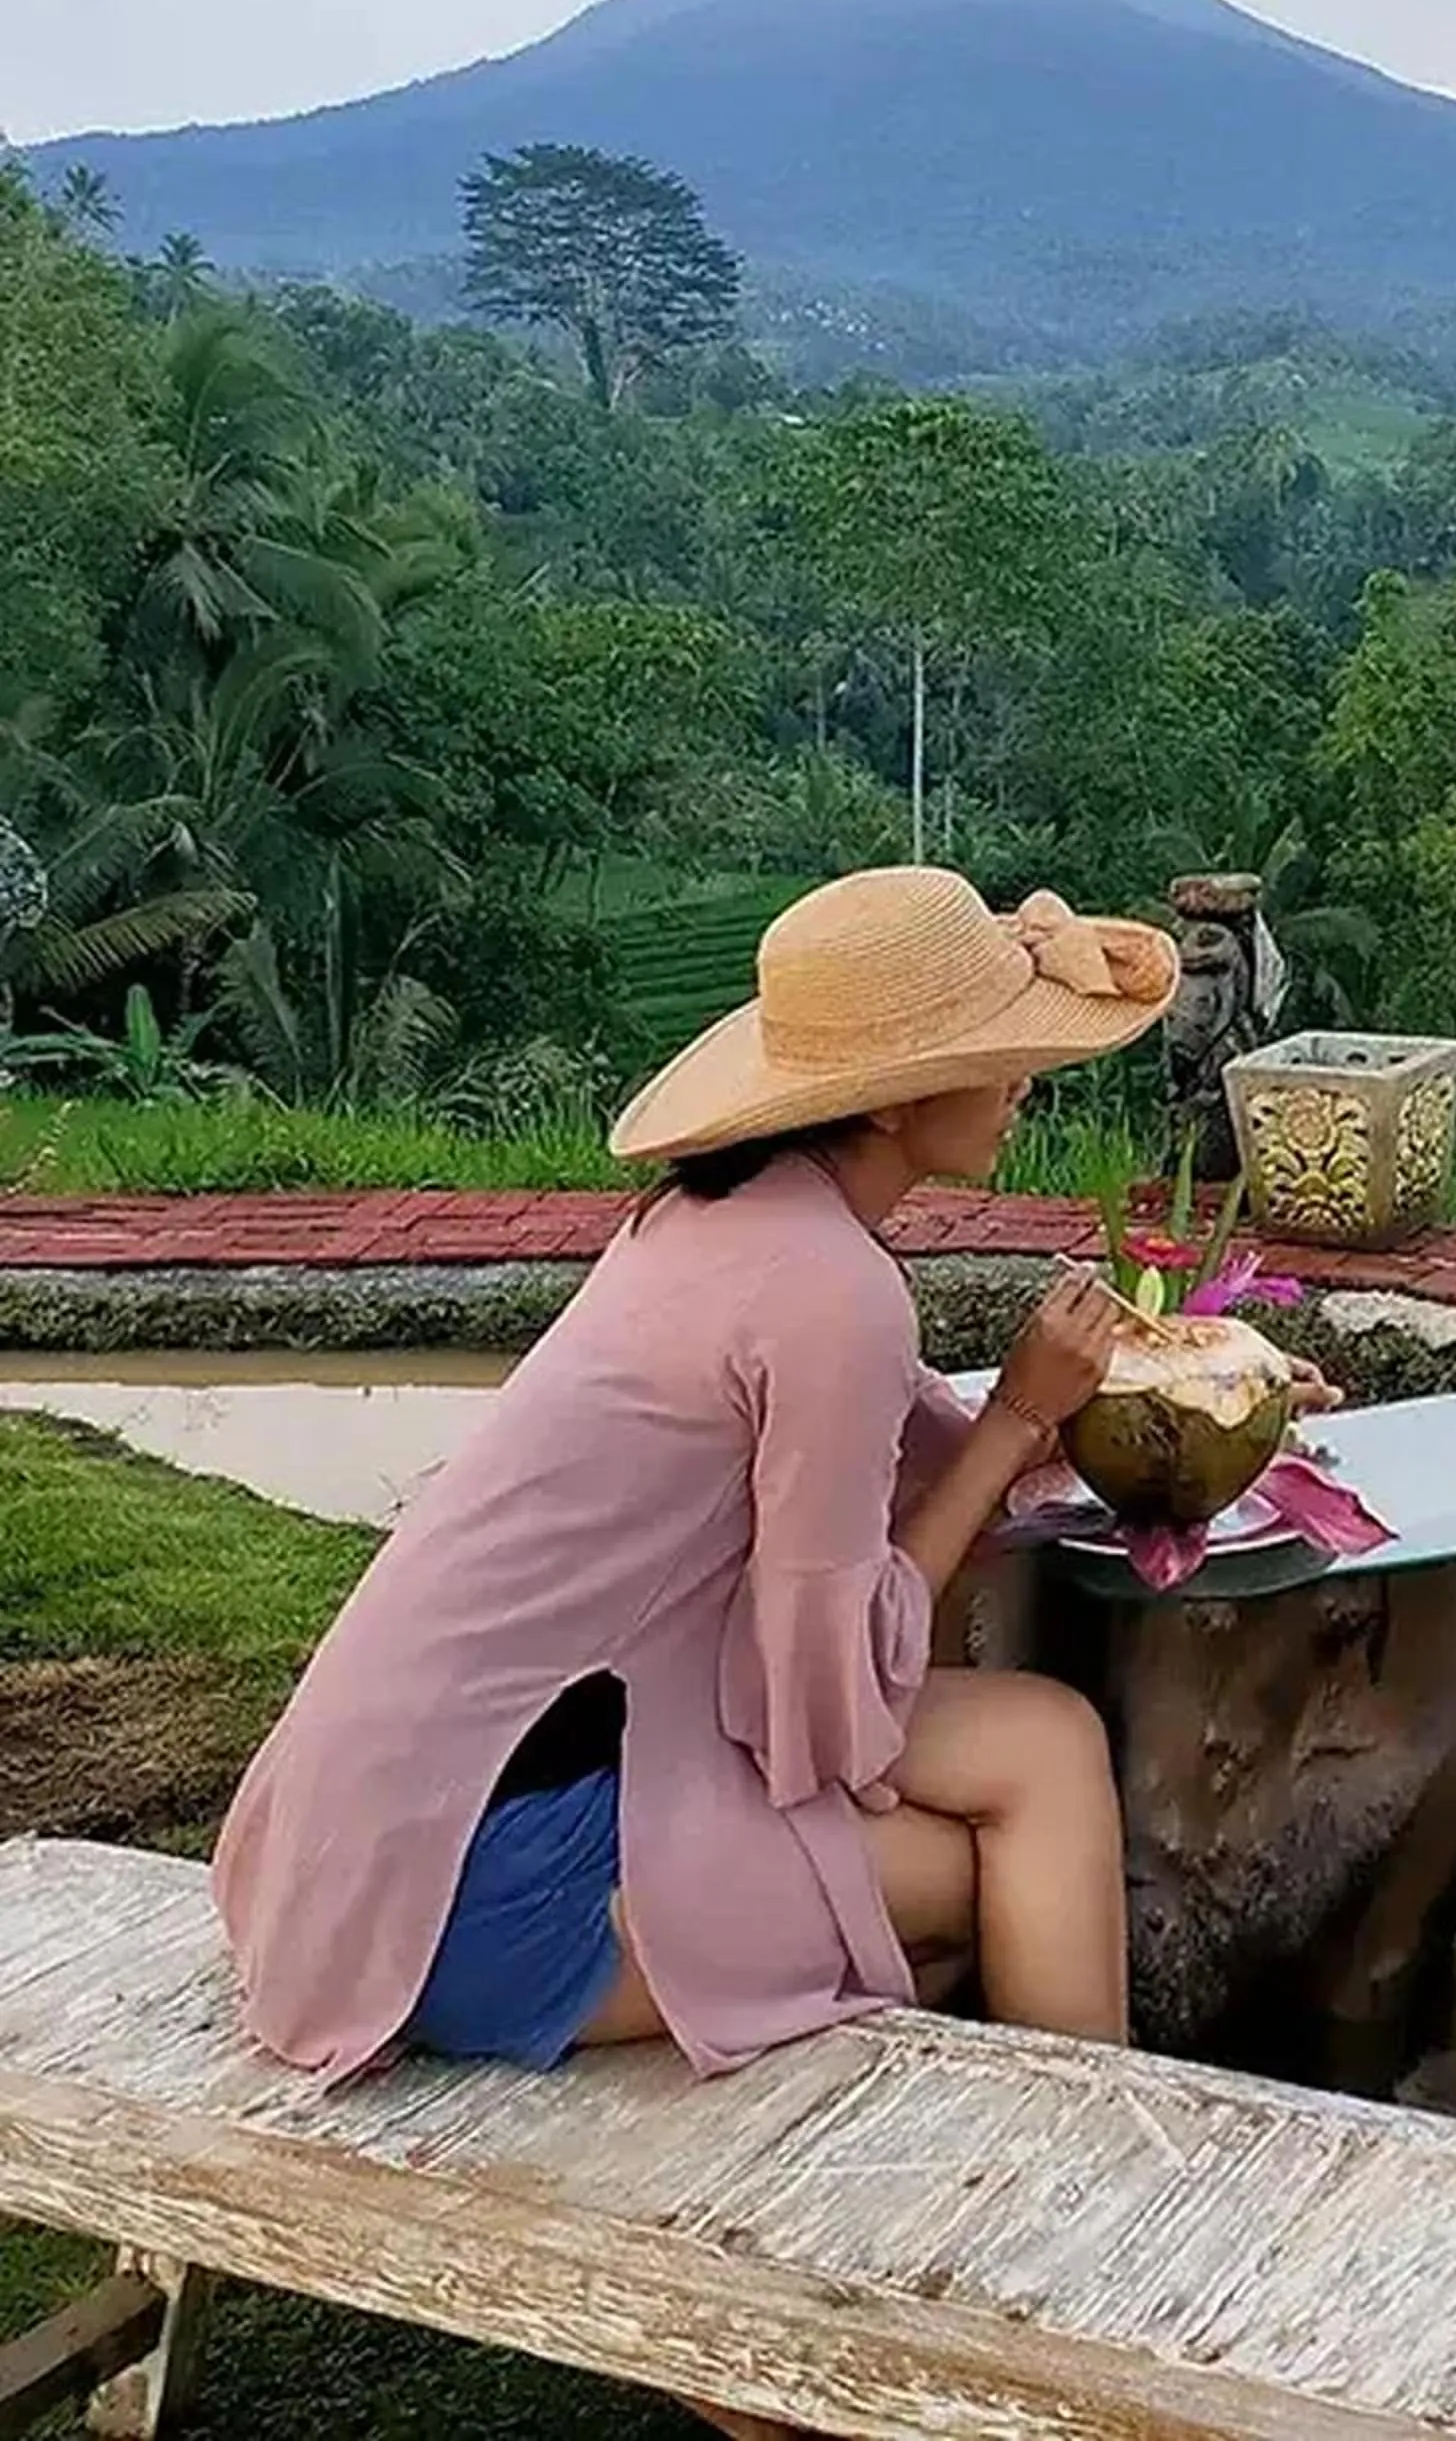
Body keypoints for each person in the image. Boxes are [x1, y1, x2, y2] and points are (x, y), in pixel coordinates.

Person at [217, 867, 1310, 2120]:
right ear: (893, 1102)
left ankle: (1011, 2144)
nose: (1025, 1081)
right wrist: (1018, 1417)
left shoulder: (724, 1223)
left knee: (1036, 1764)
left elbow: (914, 1468)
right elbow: (826, 1699)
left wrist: (1220, 1389)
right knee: (998, 1847)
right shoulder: (827, 1293)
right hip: (475, 1889)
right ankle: (1083, 2185)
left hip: (362, 1836)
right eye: (999, 1052)